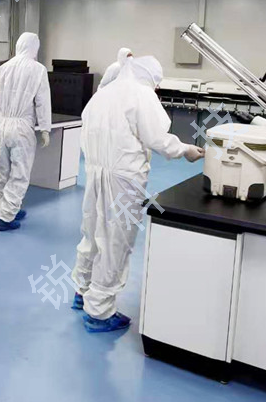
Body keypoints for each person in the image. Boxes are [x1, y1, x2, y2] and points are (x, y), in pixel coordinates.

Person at [71, 55, 205, 332]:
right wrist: (185, 150)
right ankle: (100, 312)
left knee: (92, 232)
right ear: (150, 77)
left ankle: (82, 290)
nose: (156, 88)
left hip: (95, 173)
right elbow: (157, 138)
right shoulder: (141, 95)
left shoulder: (102, 95)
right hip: (124, 179)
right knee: (116, 240)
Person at [0, 33, 51, 232]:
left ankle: (9, 209)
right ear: (34, 47)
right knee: (19, 173)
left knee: (4, 171)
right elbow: (42, 101)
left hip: (1, 124)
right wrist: (45, 128)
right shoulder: (38, 69)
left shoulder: (4, 67)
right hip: (21, 126)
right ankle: (5, 218)